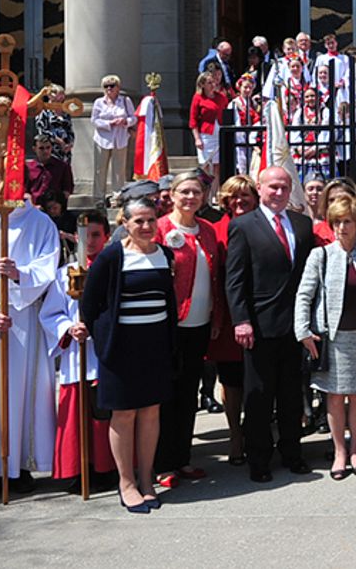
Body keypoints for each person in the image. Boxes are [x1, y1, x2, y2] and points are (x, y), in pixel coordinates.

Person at [80, 197, 177, 513]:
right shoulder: (112, 257)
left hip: (156, 346)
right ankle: (126, 482)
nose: (146, 227)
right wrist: (103, 339)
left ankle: (147, 479)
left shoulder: (165, 255)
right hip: (121, 348)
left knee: (151, 412)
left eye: (151, 220)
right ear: (125, 223)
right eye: (139, 221)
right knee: (124, 414)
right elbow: (90, 304)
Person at [224, 167, 316, 483]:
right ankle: (259, 458)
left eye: (284, 187)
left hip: (296, 327)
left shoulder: (303, 225)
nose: (278, 192)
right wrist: (241, 321)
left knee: (291, 395)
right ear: (260, 188)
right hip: (259, 328)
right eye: (272, 187)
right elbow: (234, 280)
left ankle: (292, 452)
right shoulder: (243, 226)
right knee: (259, 396)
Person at [294, 195, 356, 480]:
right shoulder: (322, 255)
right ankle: (339, 451)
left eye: (347, 221)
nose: (342, 227)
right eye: (337, 222)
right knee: (334, 396)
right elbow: (304, 294)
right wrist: (303, 330)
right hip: (331, 337)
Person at [0, 176, 62, 497]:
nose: (4, 184)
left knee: (18, 394)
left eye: (11, 177)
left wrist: (19, 275)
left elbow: (47, 268)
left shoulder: (40, 222)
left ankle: (15, 467)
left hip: (22, 319)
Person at [152, 171, 225, 488]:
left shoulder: (207, 230)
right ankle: (161, 463)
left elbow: (215, 278)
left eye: (196, 192)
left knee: (188, 396)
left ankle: (182, 458)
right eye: (185, 192)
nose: (191, 198)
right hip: (170, 326)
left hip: (200, 324)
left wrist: (217, 317)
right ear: (172, 194)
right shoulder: (159, 229)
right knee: (167, 396)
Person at [38, 211, 117, 493]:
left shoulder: (115, 269)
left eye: (96, 234)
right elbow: (50, 314)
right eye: (85, 235)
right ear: (75, 237)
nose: (91, 241)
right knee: (77, 413)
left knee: (104, 414)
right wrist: (69, 328)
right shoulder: (65, 274)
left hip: (107, 354)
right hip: (78, 354)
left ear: (106, 236)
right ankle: (78, 469)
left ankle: (106, 468)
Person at [210, 175, 257, 466]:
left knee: (258, 378)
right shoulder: (216, 231)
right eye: (233, 197)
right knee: (231, 379)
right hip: (228, 317)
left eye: (245, 196)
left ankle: (256, 433)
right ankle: (235, 434)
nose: (239, 202)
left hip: (262, 313)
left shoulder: (265, 224)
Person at [91, 74, 138, 205]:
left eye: (112, 85)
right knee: (100, 169)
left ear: (118, 87)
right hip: (102, 139)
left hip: (120, 138)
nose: (109, 88)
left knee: (119, 170)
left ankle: (117, 197)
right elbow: (94, 120)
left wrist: (125, 121)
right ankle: (99, 198)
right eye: (106, 86)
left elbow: (133, 118)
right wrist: (109, 123)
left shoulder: (125, 101)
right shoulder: (98, 102)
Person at [190, 71, 227, 186]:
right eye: (209, 83)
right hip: (206, 135)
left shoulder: (221, 97)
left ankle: (215, 193)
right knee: (206, 165)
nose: (213, 85)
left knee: (217, 166)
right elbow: (193, 120)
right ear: (202, 85)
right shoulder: (198, 98)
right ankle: (206, 192)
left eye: (214, 82)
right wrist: (197, 138)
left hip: (219, 134)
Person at [25, 133, 74, 202]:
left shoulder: (62, 167)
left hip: (54, 208)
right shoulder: (28, 168)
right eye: (41, 148)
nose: (45, 151)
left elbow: (67, 190)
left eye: (48, 147)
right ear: (34, 149)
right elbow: (25, 191)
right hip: (34, 207)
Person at [35, 83, 76, 164]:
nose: (61, 96)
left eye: (62, 94)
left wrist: (70, 143)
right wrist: (59, 141)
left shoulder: (65, 111)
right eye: (59, 94)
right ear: (51, 96)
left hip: (65, 150)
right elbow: (43, 130)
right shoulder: (44, 111)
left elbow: (69, 128)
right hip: (50, 148)